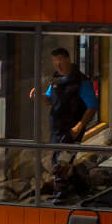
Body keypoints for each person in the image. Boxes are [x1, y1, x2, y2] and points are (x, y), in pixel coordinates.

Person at [33, 48, 98, 203]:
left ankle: (60, 196)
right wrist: (39, 97)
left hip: (71, 130)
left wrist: (80, 126)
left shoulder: (82, 82)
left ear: (68, 59)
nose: (57, 65)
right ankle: (81, 188)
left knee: (60, 161)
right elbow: (49, 99)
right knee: (63, 161)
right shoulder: (56, 79)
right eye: (55, 61)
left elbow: (92, 106)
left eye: (60, 60)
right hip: (56, 128)